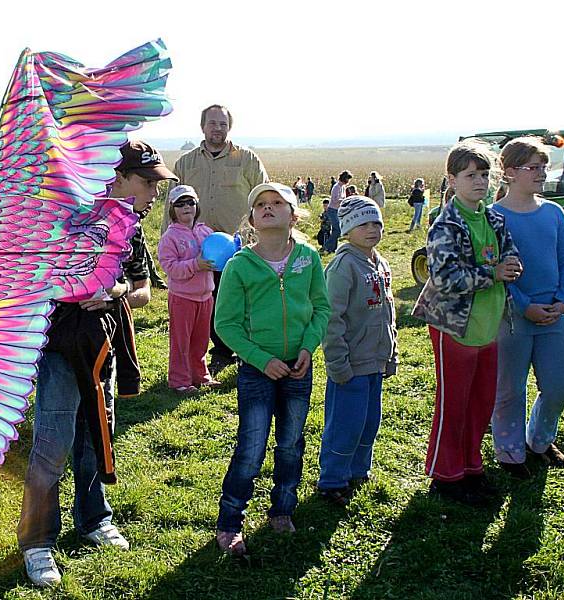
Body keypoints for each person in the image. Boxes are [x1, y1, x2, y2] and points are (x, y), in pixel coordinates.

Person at [17, 140, 178, 588]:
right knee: (52, 444)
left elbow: (144, 291)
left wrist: (116, 291)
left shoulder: (133, 228)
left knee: (96, 434)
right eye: (147, 182)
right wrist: (68, 289)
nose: (153, 193)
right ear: (117, 177)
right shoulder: (65, 221)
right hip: (58, 350)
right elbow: (27, 281)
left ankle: (93, 519)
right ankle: (37, 542)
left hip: (102, 348)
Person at [214, 182, 330, 556]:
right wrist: (261, 359)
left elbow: (322, 309)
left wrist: (308, 349)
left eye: (277, 203)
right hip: (256, 372)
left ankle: (282, 510)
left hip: (299, 369)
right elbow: (226, 325)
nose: (268, 208)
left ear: (294, 215)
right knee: (250, 447)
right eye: (260, 204)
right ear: (251, 219)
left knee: (292, 444)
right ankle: (230, 522)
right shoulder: (239, 266)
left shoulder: (308, 259)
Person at [412, 140, 522, 506]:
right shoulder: (446, 224)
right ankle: (446, 475)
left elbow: (509, 256)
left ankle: (472, 467)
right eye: (470, 175)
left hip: (489, 326)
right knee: (454, 404)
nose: (479, 182)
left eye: (484, 174)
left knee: (481, 402)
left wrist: (510, 267)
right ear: (452, 180)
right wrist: (493, 273)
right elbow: (445, 279)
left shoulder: (494, 218)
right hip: (454, 328)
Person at [161, 104, 269, 373]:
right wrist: (167, 243)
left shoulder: (247, 159)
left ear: (229, 126)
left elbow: (264, 196)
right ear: (202, 126)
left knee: (243, 301)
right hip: (198, 251)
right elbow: (169, 205)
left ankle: (247, 352)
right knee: (209, 302)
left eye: (222, 123)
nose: (217, 128)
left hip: (239, 246)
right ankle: (218, 351)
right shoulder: (186, 163)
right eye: (212, 123)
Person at [491, 137, 564, 477]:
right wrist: (523, 307)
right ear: (509, 173)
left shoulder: (554, 213)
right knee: (510, 388)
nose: (541, 173)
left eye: (543, 166)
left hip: (554, 314)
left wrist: (563, 301)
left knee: (558, 385)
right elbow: (498, 274)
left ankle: (539, 440)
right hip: (511, 318)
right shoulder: (494, 217)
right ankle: (509, 452)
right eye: (533, 167)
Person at [317, 196, 397, 505]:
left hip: (375, 361)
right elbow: (330, 318)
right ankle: (333, 480)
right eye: (363, 223)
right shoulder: (343, 266)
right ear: (347, 228)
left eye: (376, 222)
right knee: (345, 425)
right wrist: (338, 363)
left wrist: (391, 354)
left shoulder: (381, 262)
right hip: (349, 364)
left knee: (369, 421)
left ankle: (358, 470)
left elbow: (388, 313)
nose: (372, 229)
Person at [158, 184, 218, 394]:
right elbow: (171, 268)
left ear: (197, 205)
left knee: (201, 339)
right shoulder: (170, 237)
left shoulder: (206, 231)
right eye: (180, 204)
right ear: (172, 209)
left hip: (205, 297)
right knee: (181, 342)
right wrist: (196, 265)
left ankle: (200, 376)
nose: (186, 207)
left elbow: (217, 255)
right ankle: (180, 381)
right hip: (182, 298)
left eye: (190, 202)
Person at [324, 170, 352, 253]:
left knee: (335, 230)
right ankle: (327, 246)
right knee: (338, 230)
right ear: (345, 178)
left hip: (338, 210)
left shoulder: (343, 187)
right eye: (348, 179)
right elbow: (335, 200)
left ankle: (332, 248)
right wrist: (344, 200)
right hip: (332, 210)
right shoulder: (336, 187)